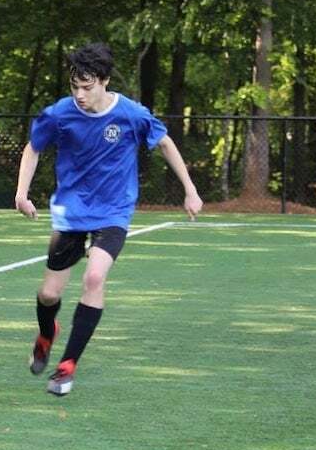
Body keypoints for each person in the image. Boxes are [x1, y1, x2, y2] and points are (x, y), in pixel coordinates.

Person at [15, 42, 203, 396]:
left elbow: (164, 144)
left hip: (114, 212)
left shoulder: (130, 114)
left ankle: (67, 366)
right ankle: (46, 333)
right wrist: (21, 193)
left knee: (95, 276)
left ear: (103, 81)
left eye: (87, 87)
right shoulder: (59, 114)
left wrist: (190, 189)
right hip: (70, 213)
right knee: (49, 293)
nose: (80, 95)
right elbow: (33, 147)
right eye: (75, 87)